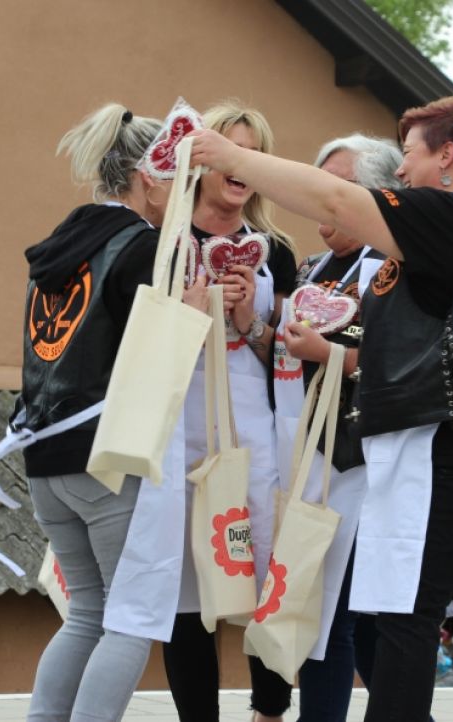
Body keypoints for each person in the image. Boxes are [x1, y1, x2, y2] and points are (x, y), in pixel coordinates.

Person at [189, 93, 453, 722]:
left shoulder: (449, 214)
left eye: (409, 153)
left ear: (446, 156)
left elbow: (334, 200)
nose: (400, 169)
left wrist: (231, 156)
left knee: (405, 612)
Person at [19, 104, 208, 722]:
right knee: (131, 619)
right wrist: (195, 312)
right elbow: (160, 357)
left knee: (86, 614)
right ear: (150, 178)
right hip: (108, 455)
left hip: (44, 452)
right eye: (179, 181)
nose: (185, 197)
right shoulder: (144, 247)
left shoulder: (60, 245)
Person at [162, 100, 297, 722]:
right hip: (181, 427)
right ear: (201, 160)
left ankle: (270, 710)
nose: (240, 166)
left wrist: (250, 320)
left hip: (254, 434)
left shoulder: (278, 252)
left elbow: (290, 360)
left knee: (266, 573)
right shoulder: (163, 242)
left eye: (252, 153)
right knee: (188, 590)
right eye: (230, 151)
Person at [274, 134, 400, 722]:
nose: (325, 199)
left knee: (332, 616)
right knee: (357, 619)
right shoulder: (313, 267)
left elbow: (407, 365)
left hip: (363, 461)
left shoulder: (395, 269)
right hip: (312, 454)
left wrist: (329, 354)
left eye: (341, 187)